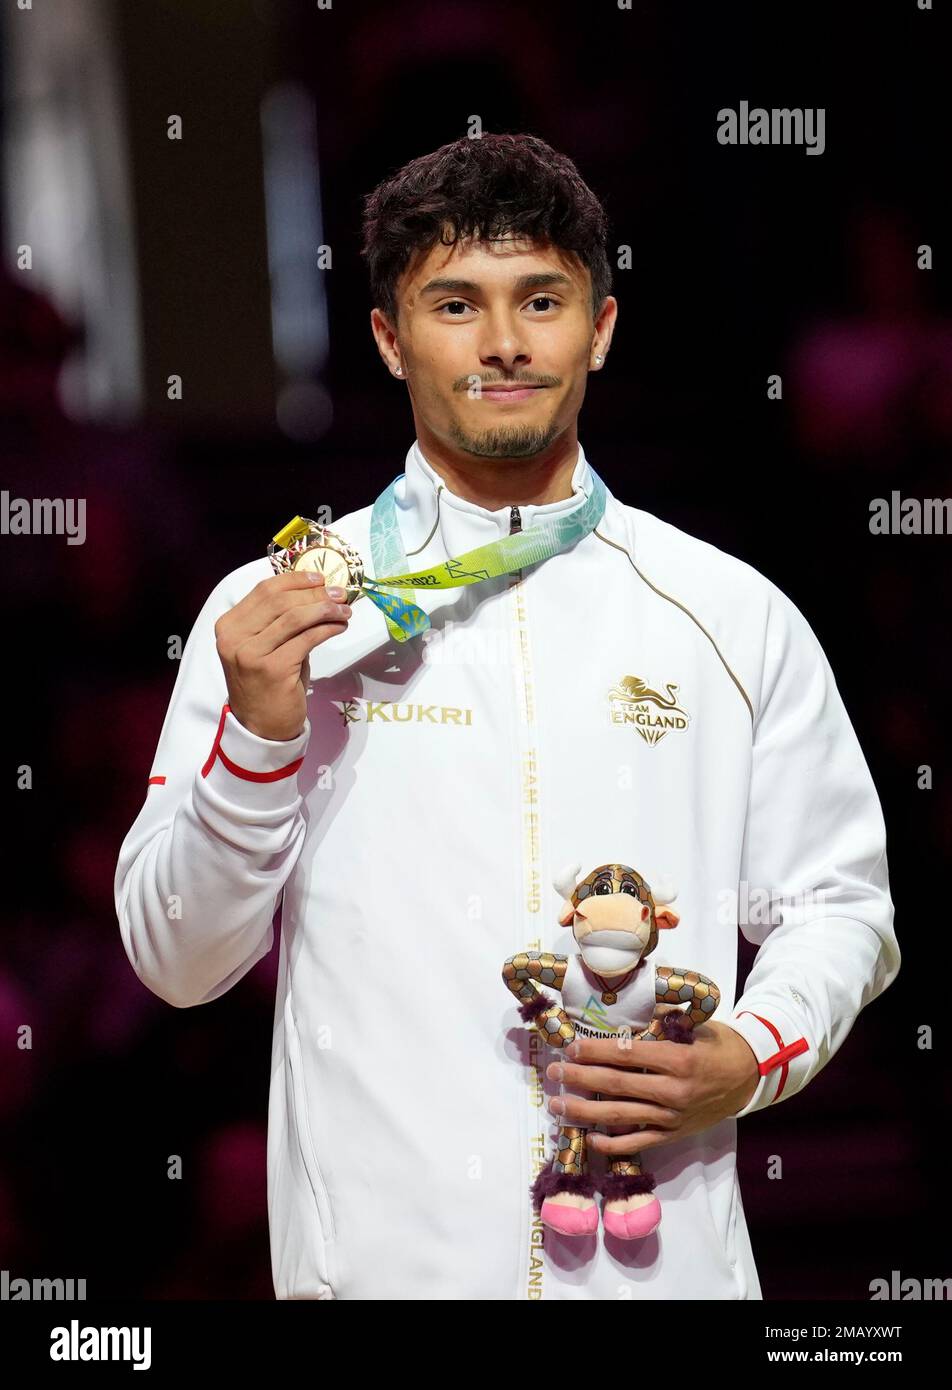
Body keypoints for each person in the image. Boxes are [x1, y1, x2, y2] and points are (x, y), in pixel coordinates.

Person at [114, 132, 899, 1300]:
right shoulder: (279, 613)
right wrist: (259, 741)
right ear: (388, 337)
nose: (501, 343)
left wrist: (749, 1053)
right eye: (453, 303)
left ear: (602, 326)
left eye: (540, 299)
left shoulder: (732, 616)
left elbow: (841, 906)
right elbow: (178, 963)